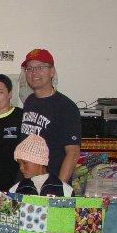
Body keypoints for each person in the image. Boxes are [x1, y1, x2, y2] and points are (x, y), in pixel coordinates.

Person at [19, 48, 81, 183]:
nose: (34, 72)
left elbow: (73, 152)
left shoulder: (66, 107)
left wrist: (59, 188)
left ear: (52, 71)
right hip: (30, 181)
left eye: (40, 67)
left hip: (53, 182)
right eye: (29, 69)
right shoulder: (29, 101)